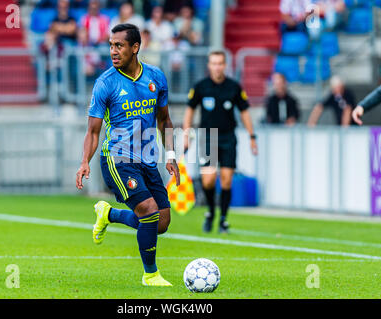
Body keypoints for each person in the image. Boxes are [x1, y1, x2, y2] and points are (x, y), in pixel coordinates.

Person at [76, 24, 180, 287]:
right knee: (148, 210)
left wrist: (171, 154)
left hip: (147, 158)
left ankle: (109, 214)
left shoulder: (156, 77)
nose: (113, 51)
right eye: (111, 45)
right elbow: (93, 130)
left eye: (118, 45)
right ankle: (151, 275)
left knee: (161, 222)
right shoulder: (105, 83)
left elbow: (165, 120)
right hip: (117, 159)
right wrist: (84, 162)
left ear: (135, 48)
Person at [183, 51, 258, 234]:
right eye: (214, 63)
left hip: (228, 137)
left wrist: (252, 136)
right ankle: (210, 211)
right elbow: (190, 110)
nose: (217, 67)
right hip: (208, 136)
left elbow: (245, 112)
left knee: (226, 181)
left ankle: (223, 220)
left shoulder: (233, 87)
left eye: (220, 63)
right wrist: (186, 133)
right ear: (209, 66)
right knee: (208, 180)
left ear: (225, 66)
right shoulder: (201, 87)